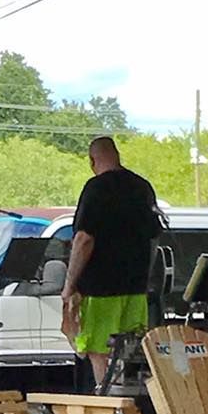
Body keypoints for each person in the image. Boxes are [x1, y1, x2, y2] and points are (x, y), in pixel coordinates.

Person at [61, 136, 161, 387]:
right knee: (131, 355)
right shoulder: (142, 187)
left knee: (100, 354)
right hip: (136, 290)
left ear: (92, 160)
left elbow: (84, 239)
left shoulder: (96, 188)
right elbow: (153, 238)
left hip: (99, 290)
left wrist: (69, 285)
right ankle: (132, 412)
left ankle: (109, 413)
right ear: (117, 155)